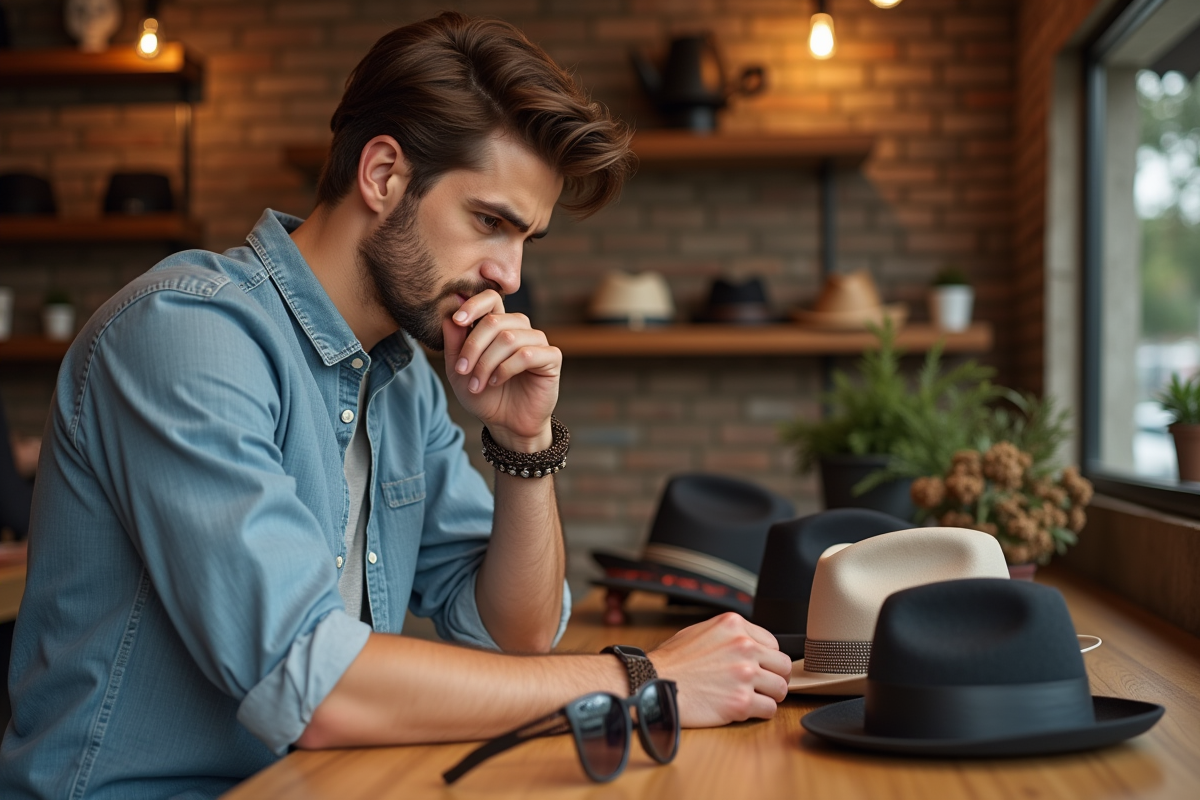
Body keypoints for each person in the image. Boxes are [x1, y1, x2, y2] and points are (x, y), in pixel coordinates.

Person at [0, 13, 791, 799]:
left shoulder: (403, 378)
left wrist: (523, 442)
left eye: (526, 239)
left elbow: (515, 637)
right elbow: (313, 684)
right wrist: (644, 678)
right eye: (490, 222)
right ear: (381, 174)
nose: (510, 275)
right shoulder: (187, 334)